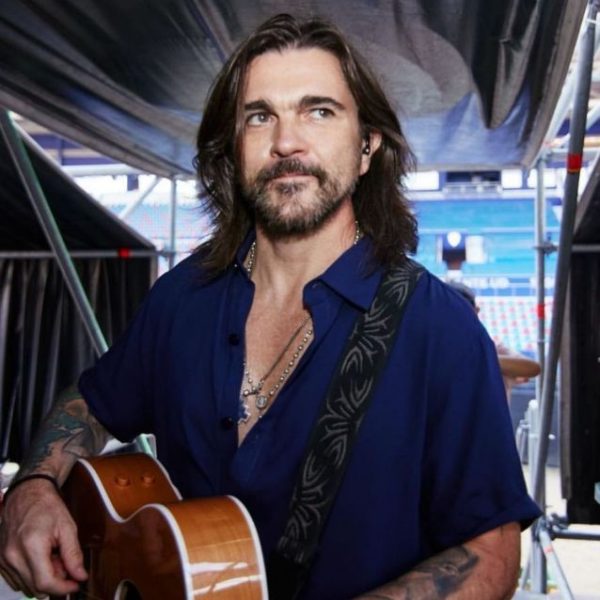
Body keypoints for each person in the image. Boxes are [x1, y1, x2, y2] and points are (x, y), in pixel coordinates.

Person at [0, 13, 540, 600]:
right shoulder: (181, 299)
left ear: (367, 148)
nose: (287, 142)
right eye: (260, 116)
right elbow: (92, 402)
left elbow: (491, 556)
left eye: (319, 111)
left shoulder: (439, 329)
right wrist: (33, 487)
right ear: (233, 151)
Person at [447, 280, 542, 400]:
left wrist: (478, 359)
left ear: (476, 312)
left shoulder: (494, 349)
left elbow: (532, 369)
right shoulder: (435, 350)